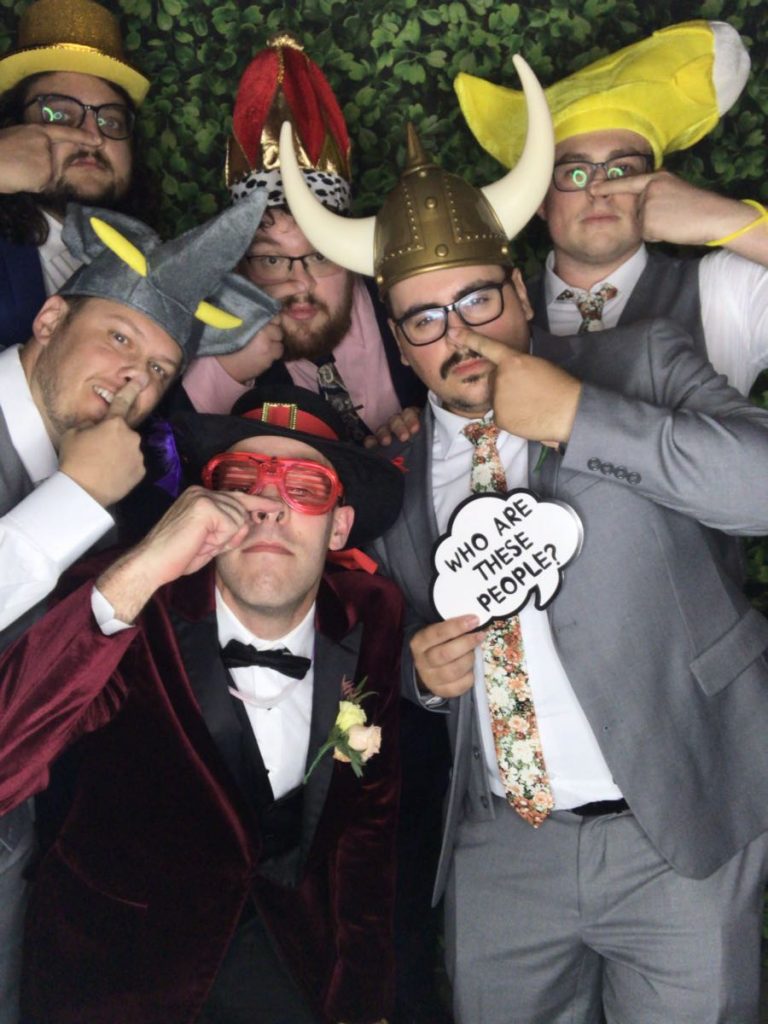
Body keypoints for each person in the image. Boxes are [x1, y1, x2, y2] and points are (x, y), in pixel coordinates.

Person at [280, 55, 768, 1024]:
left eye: (478, 300)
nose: (459, 334)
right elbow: (401, 643)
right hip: (504, 847)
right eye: (425, 317)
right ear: (400, 335)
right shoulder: (400, 468)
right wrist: (424, 674)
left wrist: (584, 417)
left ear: (518, 284)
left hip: (676, 823)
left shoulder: (637, 358)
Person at [0, 385, 404, 1024]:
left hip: (294, 977)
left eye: (304, 487)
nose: (269, 506)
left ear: (341, 526)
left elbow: (365, 838)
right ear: (205, 503)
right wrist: (144, 568)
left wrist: (364, 999)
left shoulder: (373, 616)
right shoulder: (125, 603)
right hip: (120, 982)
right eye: (243, 479)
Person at [0, 189, 277, 1024]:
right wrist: (78, 499)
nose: (132, 379)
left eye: (159, 369)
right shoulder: (85, 485)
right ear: (50, 318)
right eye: (118, 338)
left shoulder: (96, 481)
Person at [455, 19, 768, 396]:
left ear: (657, 187)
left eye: (622, 170)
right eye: (575, 173)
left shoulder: (725, 291)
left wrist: (725, 220)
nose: (600, 189)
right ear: (538, 199)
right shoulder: (493, 314)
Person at [183, 34, 425, 441]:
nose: (300, 283)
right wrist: (227, 371)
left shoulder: (411, 301)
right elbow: (177, 453)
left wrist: (435, 424)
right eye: (271, 260)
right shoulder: (201, 336)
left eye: (320, 255)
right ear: (240, 266)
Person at [0, 0, 152, 349]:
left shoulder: (151, 265)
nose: (93, 137)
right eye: (58, 114)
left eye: (111, 121)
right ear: (14, 130)